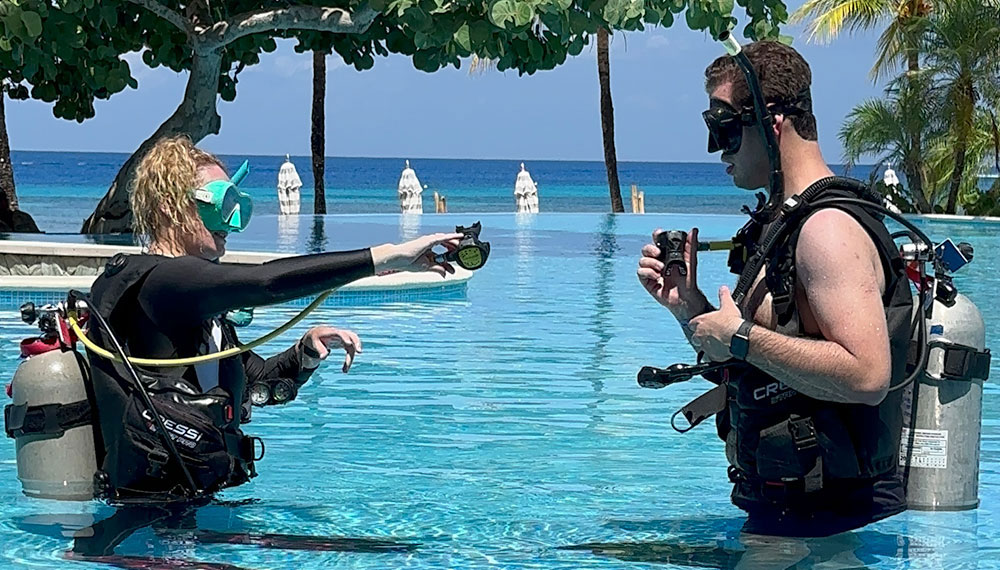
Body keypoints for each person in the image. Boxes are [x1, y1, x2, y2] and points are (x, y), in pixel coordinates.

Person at [85, 136, 463, 503]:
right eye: (221, 203)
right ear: (171, 206)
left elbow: (254, 381)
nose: (232, 220)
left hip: (194, 502)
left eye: (239, 204)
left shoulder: (200, 307)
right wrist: (384, 256)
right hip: (148, 517)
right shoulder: (160, 285)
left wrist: (305, 353)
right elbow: (265, 281)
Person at [636, 41, 913, 537]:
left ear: (771, 121)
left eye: (724, 128)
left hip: (831, 528)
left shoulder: (826, 230)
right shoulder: (784, 223)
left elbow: (869, 376)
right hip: (792, 518)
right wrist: (689, 309)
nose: (716, 149)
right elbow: (765, 365)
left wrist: (741, 336)